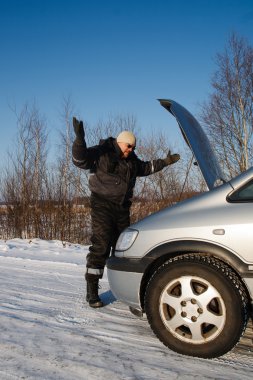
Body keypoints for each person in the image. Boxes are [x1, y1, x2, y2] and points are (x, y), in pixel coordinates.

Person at [72, 117, 180, 308]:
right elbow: (80, 160)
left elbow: (146, 167)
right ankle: (92, 290)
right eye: (128, 146)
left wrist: (165, 162)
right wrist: (79, 140)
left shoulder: (131, 160)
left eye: (133, 147)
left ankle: (125, 290)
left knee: (124, 248)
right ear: (120, 142)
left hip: (122, 208)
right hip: (102, 206)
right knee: (101, 246)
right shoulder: (101, 152)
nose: (131, 149)